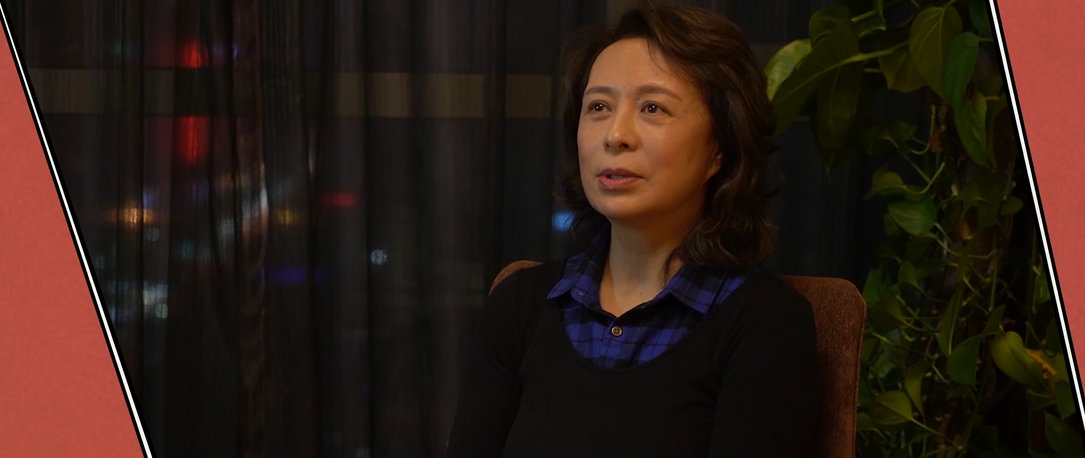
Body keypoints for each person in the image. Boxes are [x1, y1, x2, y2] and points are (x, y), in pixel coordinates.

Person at [446, 6, 817, 457]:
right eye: (598, 107)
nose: (615, 135)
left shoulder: (765, 322)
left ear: (719, 148)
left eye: (652, 107)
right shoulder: (520, 305)